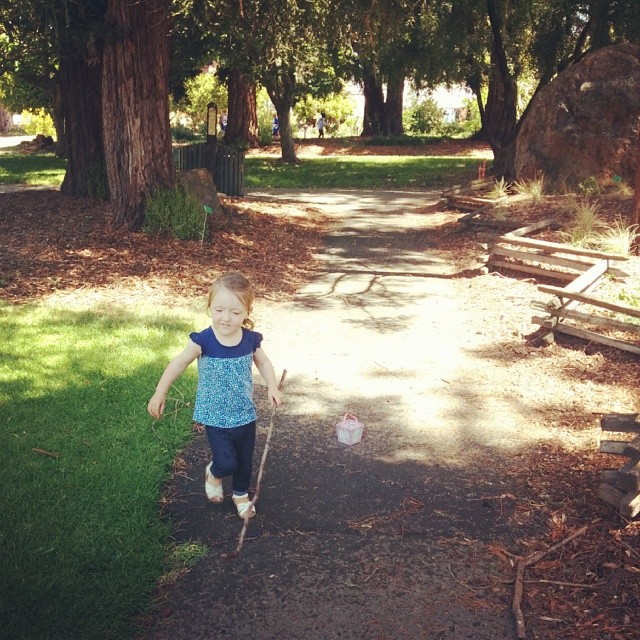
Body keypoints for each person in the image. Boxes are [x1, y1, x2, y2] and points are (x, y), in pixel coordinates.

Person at [147, 272, 283, 519]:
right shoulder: (204, 341)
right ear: (209, 307)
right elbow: (178, 364)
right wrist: (160, 392)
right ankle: (214, 473)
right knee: (227, 461)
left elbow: (263, 363)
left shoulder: (250, 340)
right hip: (215, 415)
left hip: (244, 413)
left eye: (235, 312)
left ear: (246, 312)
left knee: (244, 461)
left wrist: (272, 386)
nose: (226, 318)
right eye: (219, 310)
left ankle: (240, 495)